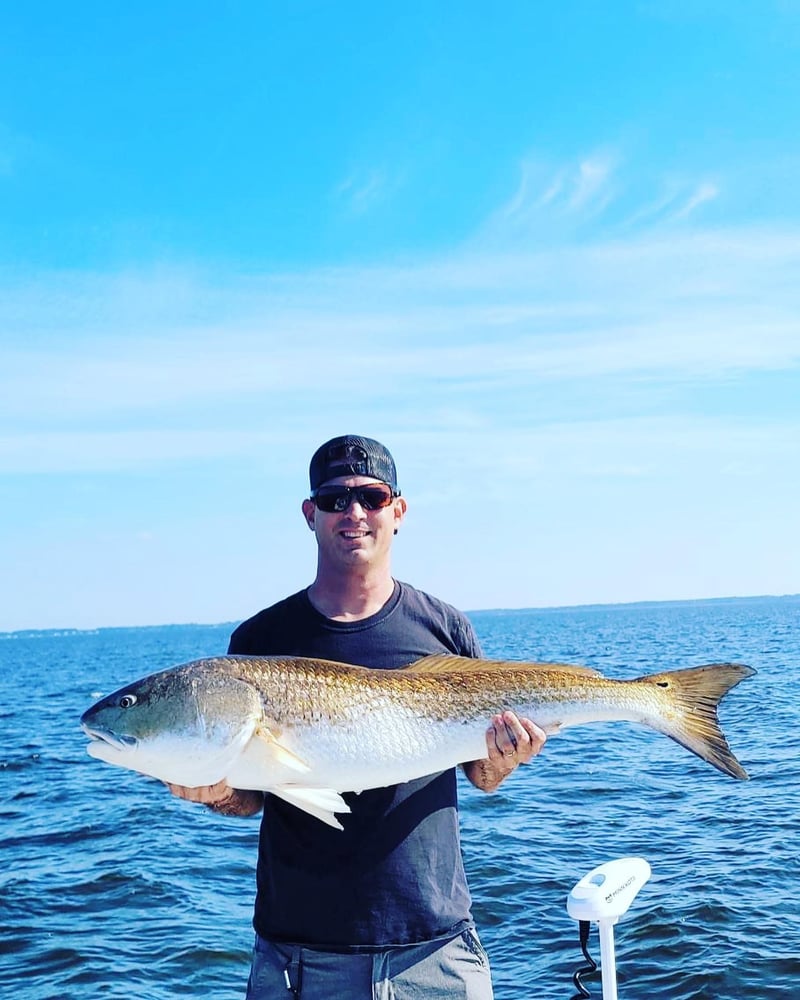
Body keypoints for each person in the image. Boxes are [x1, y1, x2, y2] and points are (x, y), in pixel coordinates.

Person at [168, 434, 546, 999]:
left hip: (434, 949)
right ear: (310, 514)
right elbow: (252, 797)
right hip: (299, 954)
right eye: (335, 499)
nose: (354, 513)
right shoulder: (259, 640)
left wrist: (506, 759)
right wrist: (213, 790)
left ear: (397, 511)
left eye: (371, 497)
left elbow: (481, 775)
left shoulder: (444, 628)